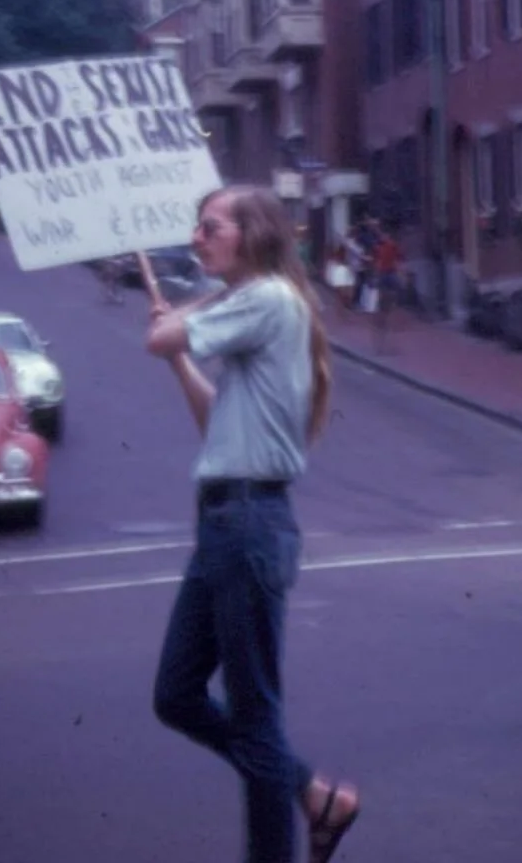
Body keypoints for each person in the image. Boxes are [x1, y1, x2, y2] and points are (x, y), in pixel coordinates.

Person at [146, 185, 360, 863]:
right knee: (176, 694)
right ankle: (314, 794)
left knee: (256, 720)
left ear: (254, 234)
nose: (196, 238)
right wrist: (183, 353)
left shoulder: (266, 300)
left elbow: (159, 333)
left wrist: (177, 321)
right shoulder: (260, 307)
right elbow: (217, 423)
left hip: (248, 523)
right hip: (226, 521)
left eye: (210, 227)